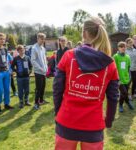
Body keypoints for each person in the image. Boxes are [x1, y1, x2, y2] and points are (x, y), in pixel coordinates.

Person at [53, 17, 119, 150]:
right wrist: (109, 120)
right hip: (93, 126)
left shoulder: (68, 56)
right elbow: (113, 98)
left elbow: (57, 88)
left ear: (84, 33)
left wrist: (58, 111)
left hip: (67, 121)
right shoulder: (110, 64)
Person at [113, 42, 134, 112]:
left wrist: (129, 77)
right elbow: (114, 69)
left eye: (124, 47)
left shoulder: (127, 57)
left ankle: (126, 102)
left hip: (127, 79)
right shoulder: (115, 56)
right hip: (119, 79)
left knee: (124, 93)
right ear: (118, 48)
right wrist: (117, 79)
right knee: (124, 92)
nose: (123, 48)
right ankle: (122, 104)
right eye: (121, 47)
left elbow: (128, 68)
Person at [31, 33, 48, 110]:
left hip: (44, 72)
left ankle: (41, 100)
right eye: (41, 39)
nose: (43, 40)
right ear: (38, 39)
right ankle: (36, 103)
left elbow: (44, 59)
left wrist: (46, 67)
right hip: (38, 72)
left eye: (44, 39)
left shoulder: (43, 48)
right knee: (38, 88)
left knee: (43, 87)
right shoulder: (34, 48)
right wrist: (41, 68)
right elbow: (33, 61)